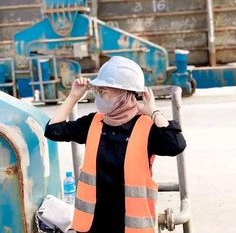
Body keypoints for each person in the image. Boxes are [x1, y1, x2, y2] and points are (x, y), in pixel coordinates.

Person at [44, 56, 186, 233]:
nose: (99, 96)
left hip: (130, 227)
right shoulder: (93, 123)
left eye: (104, 91)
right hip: (92, 224)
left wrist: (154, 112)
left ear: (126, 94)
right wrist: (73, 96)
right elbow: (53, 130)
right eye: (98, 90)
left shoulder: (146, 126)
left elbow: (176, 145)